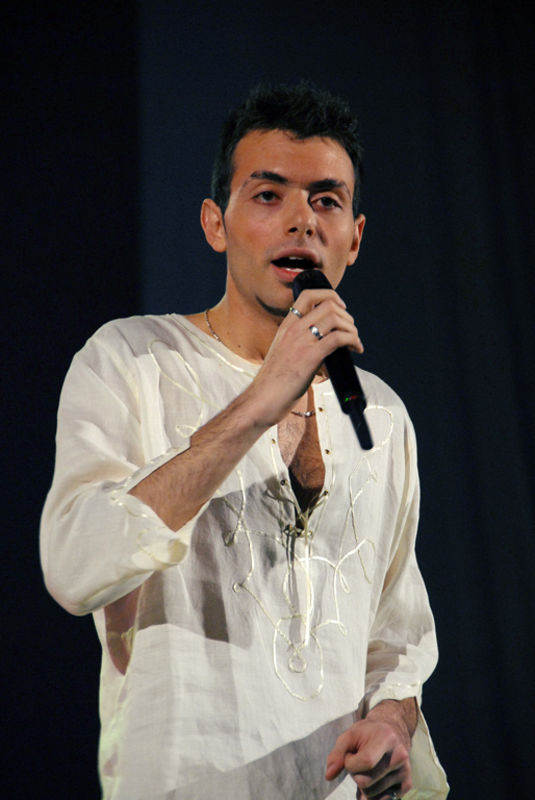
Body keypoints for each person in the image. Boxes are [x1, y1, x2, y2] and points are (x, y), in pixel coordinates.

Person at [40, 82, 449, 800]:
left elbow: (398, 637)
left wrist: (392, 719)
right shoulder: (130, 361)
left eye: (326, 200)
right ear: (215, 224)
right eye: (267, 195)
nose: (301, 220)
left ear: (354, 237)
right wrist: (260, 401)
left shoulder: (382, 415)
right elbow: (75, 565)